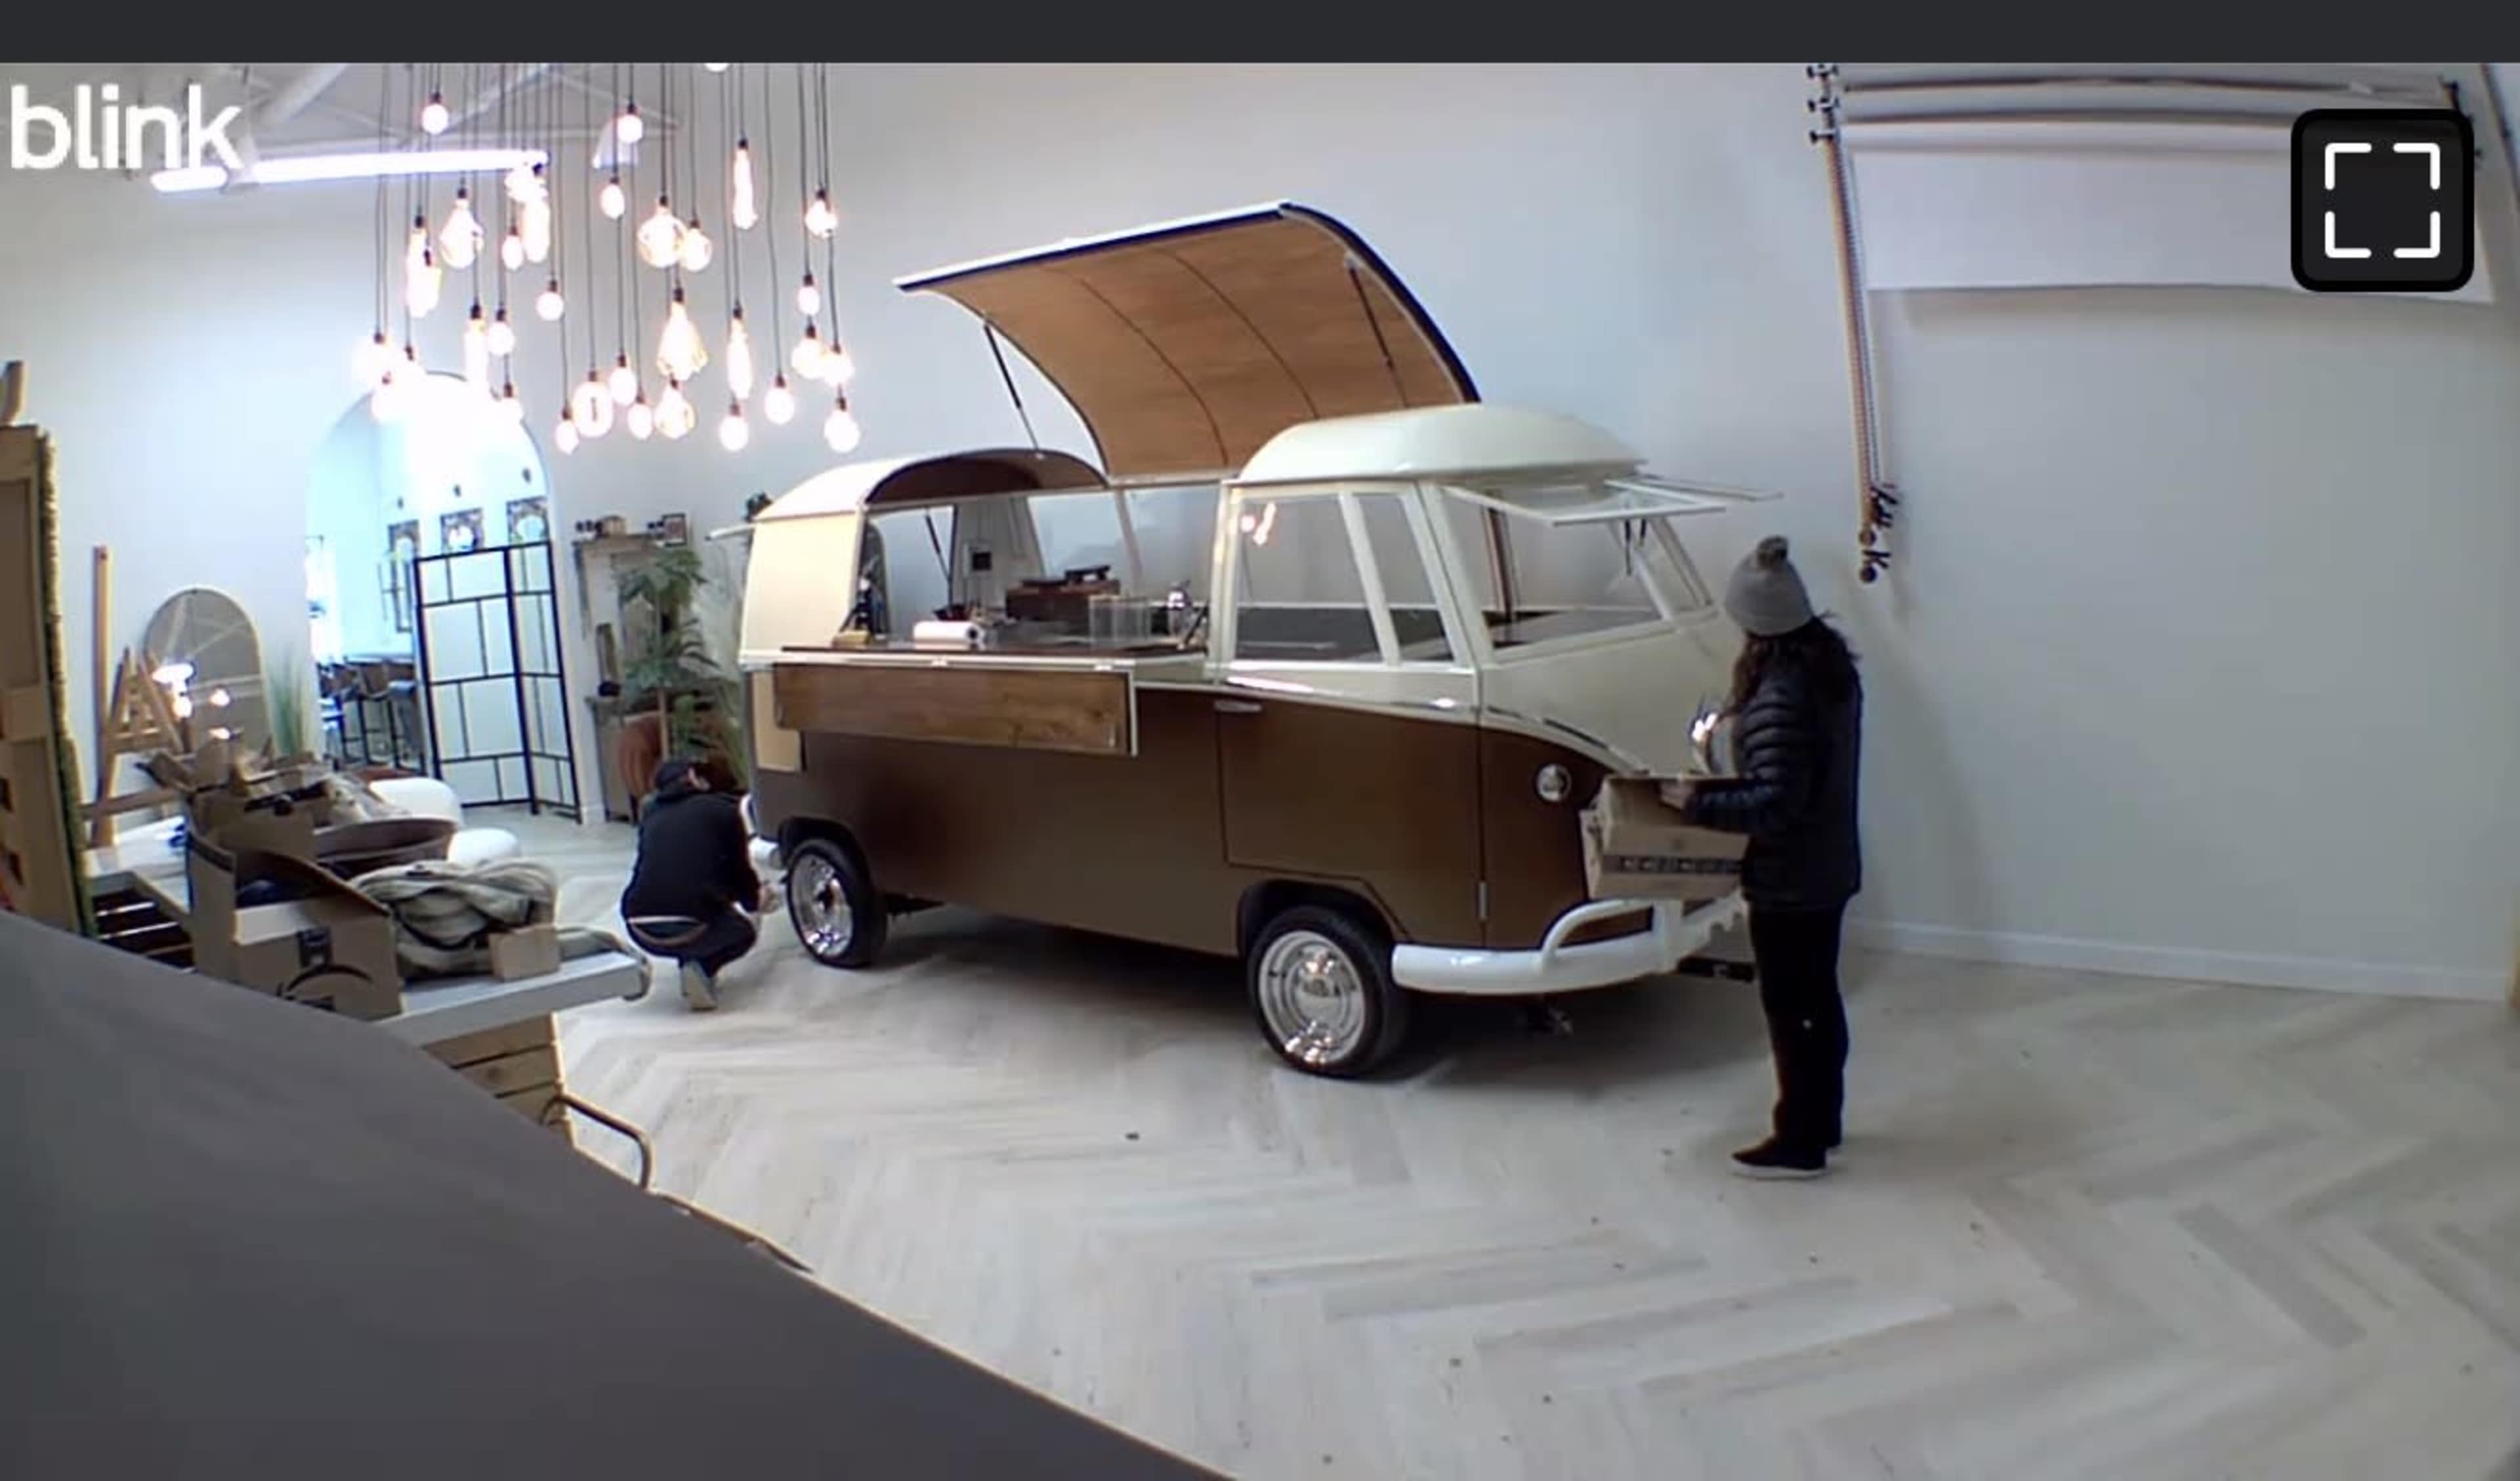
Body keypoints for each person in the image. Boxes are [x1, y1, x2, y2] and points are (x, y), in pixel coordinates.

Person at [1679, 535, 1864, 1180]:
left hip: (1791, 880)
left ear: (1757, 625)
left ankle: (1800, 1140)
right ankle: (1824, 1119)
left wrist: (1695, 802)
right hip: (1829, 867)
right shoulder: (1831, 670)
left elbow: (1776, 802)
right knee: (1820, 998)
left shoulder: (1781, 694)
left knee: (1792, 1009)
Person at [619, 759, 766, 1011]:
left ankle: (692, 966)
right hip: (692, 922)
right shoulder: (723, 810)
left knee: (690, 905)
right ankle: (702, 968)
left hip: (638, 926)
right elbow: (739, 871)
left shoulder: (651, 814)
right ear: (692, 777)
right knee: (744, 929)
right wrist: (756, 901)